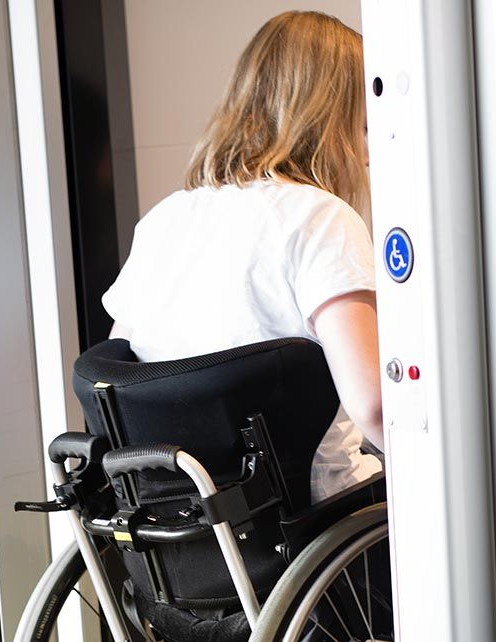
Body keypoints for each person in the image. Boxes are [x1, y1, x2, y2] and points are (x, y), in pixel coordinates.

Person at [102, 10, 383, 503]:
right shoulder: (321, 218)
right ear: (331, 122)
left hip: (187, 524)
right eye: (363, 128)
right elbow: (375, 406)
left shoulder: (163, 220)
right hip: (317, 515)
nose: (367, 154)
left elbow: (124, 380)